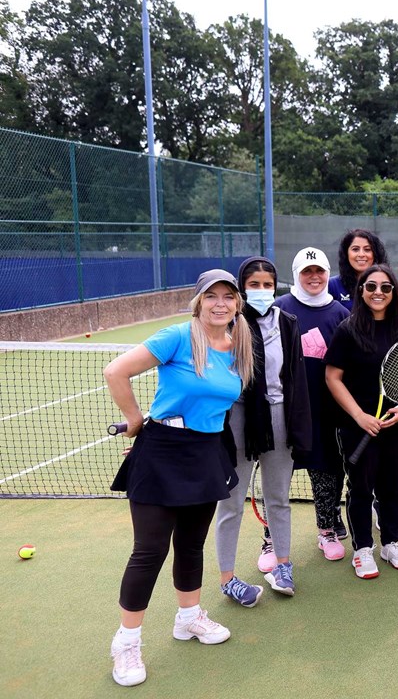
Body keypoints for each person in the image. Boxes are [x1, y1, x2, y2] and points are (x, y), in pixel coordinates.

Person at [102, 269, 254, 687]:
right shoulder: (176, 337)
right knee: (149, 552)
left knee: (191, 546)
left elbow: (220, 408)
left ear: (236, 304)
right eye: (212, 296)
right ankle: (127, 642)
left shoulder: (238, 345)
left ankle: (188, 619)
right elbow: (115, 371)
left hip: (206, 454)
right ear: (199, 302)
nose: (220, 303)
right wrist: (135, 421)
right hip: (161, 452)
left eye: (228, 296)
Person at [213, 257, 311, 605]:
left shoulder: (287, 322)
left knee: (278, 499)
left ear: (276, 286)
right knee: (231, 502)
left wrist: (299, 425)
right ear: (242, 288)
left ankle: (283, 565)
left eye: (267, 284)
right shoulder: (228, 323)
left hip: (280, 417)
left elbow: (294, 378)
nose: (261, 290)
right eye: (253, 285)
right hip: (238, 419)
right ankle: (228, 578)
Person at [325, 264, 398, 579]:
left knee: (393, 486)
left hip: (397, 424)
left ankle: (391, 542)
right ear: (361, 291)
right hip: (356, 424)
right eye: (371, 287)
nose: (378, 292)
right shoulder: (347, 330)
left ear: (394, 292)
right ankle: (362, 548)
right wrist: (359, 416)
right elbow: (333, 377)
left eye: (386, 287)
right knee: (361, 487)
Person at [273, 246, 351, 561]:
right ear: (297, 275)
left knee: (327, 473)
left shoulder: (340, 314)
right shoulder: (279, 308)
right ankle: (271, 538)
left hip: (327, 413)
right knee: (278, 477)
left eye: (319, 271)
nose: (314, 277)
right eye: (307, 272)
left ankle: (327, 530)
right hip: (284, 412)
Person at [328, 229, 389, 310]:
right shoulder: (332, 285)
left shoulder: (387, 285)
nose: (361, 254)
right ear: (346, 253)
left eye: (367, 249)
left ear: (375, 254)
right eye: (355, 249)